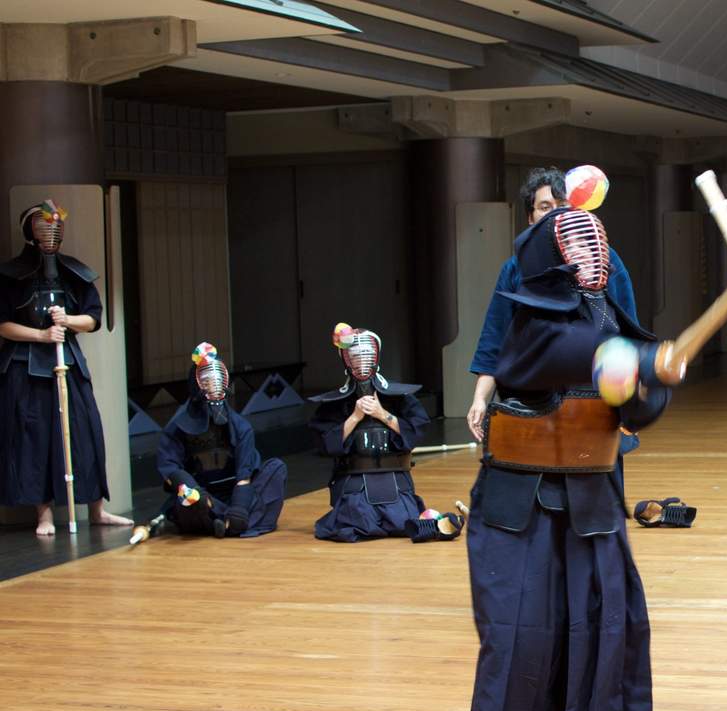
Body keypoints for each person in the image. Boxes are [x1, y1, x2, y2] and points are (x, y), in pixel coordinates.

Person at [459, 204, 669, 711]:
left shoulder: (611, 317)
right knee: (519, 625)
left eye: (594, 239)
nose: (589, 251)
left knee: (605, 616)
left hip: (591, 493)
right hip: (518, 497)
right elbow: (549, 357)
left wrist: (650, 384)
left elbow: (636, 409)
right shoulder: (530, 319)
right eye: (574, 242)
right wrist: (628, 359)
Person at [466, 166, 639, 443]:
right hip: (530, 400)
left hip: (594, 401)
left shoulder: (606, 260)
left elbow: (628, 333)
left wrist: (631, 401)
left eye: (562, 205)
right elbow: (494, 340)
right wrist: (479, 400)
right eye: (545, 207)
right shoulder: (514, 269)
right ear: (530, 217)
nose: (556, 213)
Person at [0, 200, 132, 535]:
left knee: (85, 432)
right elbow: (3, 325)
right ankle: (43, 515)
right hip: (25, 366)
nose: (51, 231)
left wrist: (68, 320)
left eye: (56, 225)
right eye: (43, 225)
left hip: (69, 362)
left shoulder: (74, 272)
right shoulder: (10, 275)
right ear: (30, 229)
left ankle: (97, 510)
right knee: (35, 437)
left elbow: (93, 317)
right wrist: (42, 334)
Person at [147, 342, 287, 539]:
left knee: (275, 468)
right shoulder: (178, 426)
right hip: (202, 497)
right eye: (206, 380)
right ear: (196, 383)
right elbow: (170, 469)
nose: (212, 385)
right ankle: (229, 523)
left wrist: (239, 507)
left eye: (217, 380)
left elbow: (244, 477)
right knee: (189, 502)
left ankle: (229, 522)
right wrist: (192, 489)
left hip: (234, 493)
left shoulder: (240, 426)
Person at [309, 324, 430, 541]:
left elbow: (417, 430)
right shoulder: (335, 403)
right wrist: (355, 416)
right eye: (355, 356)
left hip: (395, 479)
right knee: (356, 523)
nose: (362, 361)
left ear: (376, 356)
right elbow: (325, 443)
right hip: (354, 483)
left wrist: (382, 414)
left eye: (366, 354)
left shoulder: (398, 396)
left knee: (402, 522)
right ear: (346, 360)